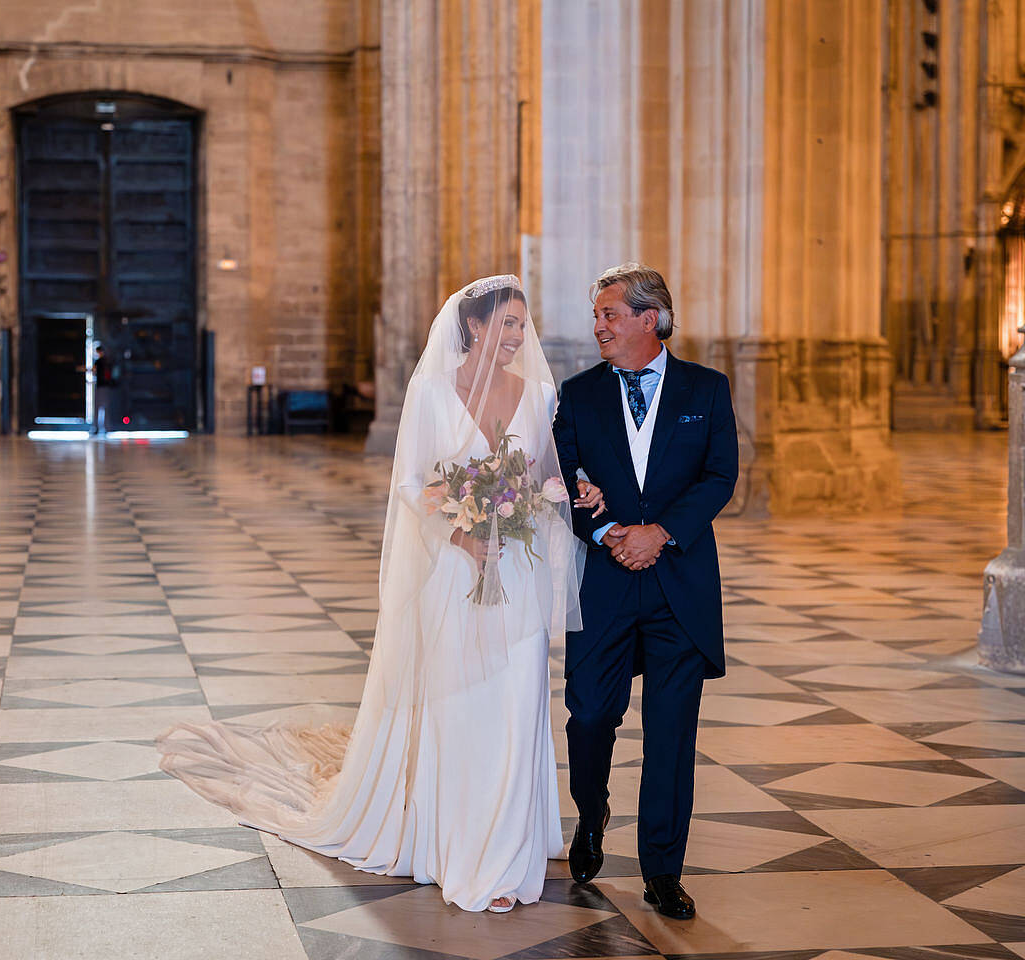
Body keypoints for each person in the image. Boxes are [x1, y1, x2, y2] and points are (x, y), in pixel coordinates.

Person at [157, 276, 603, 913]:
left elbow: (546, 473)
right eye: (505, 324)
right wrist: (463, 531)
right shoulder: (433, 392)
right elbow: (412, 485)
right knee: (464, 705)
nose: (515, 338)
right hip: (456, 570)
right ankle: (460, 851)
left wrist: (569, 491)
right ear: (474, 326)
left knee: (516, 700)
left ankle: (511, 844)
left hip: (516, 575)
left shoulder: (537, 393)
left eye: (520, 326)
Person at [552, 263, 738, 920]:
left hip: (678, 586)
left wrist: (660, 532)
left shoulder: (706, 389)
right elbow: (563, 480)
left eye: (609, 314)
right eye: (597, 315)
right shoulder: (576, 395)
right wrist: (604, 531)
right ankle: (592, 808)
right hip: (603, 583)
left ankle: (663, 869)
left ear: (648, 319)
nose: (597, 325)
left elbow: (719, 476)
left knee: (670, 735)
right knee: (591, 716)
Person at [93, 344, 115, 435]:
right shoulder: (108, 362)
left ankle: (97, 428)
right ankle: (106, 428)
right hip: (106, 387)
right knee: (105, 408)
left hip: (101, 387)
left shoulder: (99, 362)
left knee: (98, 408)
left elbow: (94, 371)